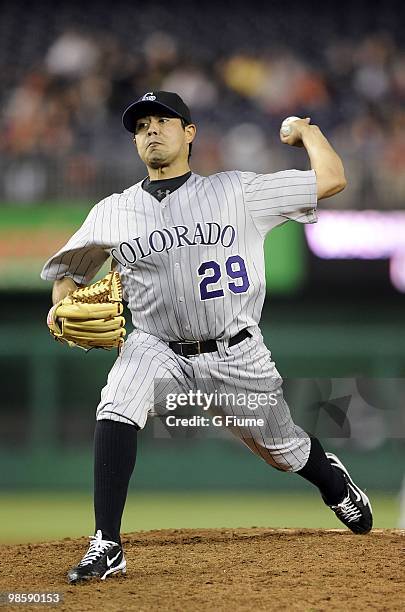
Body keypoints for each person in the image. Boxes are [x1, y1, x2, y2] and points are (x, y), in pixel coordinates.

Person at [41, 91, 372, 584]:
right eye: (141, 126)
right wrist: (62, 303)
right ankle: (107, 543)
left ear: (189, 133)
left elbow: (332, 179)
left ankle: (331, 479)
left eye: (163, 121)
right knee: (117, 404)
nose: (151, 130)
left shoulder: (239, 191)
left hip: (235, 351)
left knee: (284, 451)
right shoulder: (112, 210)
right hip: (154, 345)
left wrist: (307, 132)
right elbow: (67, 273)